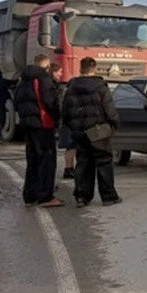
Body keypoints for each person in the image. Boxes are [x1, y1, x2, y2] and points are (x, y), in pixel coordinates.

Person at [62, 57, 121, 207]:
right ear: (94, 69)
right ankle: (108, 196)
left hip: (79, 131)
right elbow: (109, 109)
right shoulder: (101, 87)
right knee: (104, 162)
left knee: (83, 162)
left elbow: (65, 112)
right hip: (98, 130)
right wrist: (114, 124)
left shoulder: (71, 88)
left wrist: (73, 126)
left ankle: (82, 196)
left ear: (80, 69)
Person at [14, 54, 63, 207]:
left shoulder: (23, 81)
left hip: (27, 124)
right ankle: (45, 196)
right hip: (43, 124)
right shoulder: (43, 79)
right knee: (47, 160)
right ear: (46, 66)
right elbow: (51, 102)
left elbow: (16, 101)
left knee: (32, 160)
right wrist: (57, 117)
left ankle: (30, 194)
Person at [50, 63, 76, 179]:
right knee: (71, 146)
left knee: (69, 146)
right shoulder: (62, 91)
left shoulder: (60, 89)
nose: (61, 74)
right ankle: (69, 168)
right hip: (68, 122)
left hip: (64, 122)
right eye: (59, 72)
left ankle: (69, 168)